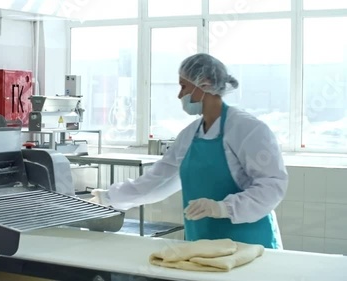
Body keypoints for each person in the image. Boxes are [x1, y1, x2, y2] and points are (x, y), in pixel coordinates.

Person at [90, 53, 288, 249]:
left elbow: (272, 186)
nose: (179, 95)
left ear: (205, 84)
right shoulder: (189, 135)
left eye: (183, 86)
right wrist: (109, 198)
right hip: (202, 245)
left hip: (250, 246)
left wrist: (223, 208)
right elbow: (157, 181)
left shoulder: (248, 129)